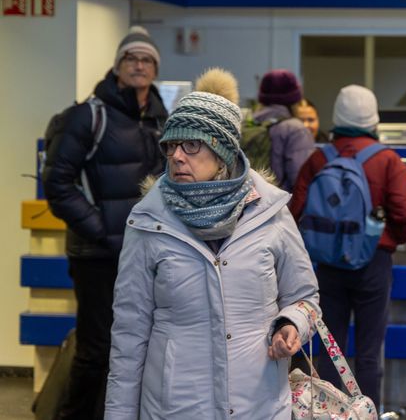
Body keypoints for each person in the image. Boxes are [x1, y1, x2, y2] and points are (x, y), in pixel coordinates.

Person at [105, 68, 320, 419]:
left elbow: (305, 298)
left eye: (191, 144)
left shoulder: (270, 213)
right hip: (175, 407)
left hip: (259, 405)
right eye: (171, 145)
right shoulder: (148, 221)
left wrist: (292, 323)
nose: (177, 156)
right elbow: (128, 336)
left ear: (222, 151)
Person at [41, 25, 167, 420]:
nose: (139, 65)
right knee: (96, 350)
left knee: (136, 349)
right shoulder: (87, 116)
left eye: (147, 60)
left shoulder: (161, 119)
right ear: (117, 66)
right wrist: (101, 230)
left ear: (155, 69)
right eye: (132, 58)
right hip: (97, 254)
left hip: (145, 251)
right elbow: (57, 183)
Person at [290, 84, 406, 409]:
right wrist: (386, 238)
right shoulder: (387, 160)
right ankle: (368, 411)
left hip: (327, 266)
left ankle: (329, 413)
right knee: (368, 350)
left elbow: (295, 212)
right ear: (373, 118)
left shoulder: (319, 158)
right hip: (373, 263)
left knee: (330, 346)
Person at [254, 69, 315, 191]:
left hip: (247, 205)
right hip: (280, 206)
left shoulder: (248, 124)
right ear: (295, 100)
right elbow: (301, 181)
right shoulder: (296, 130)